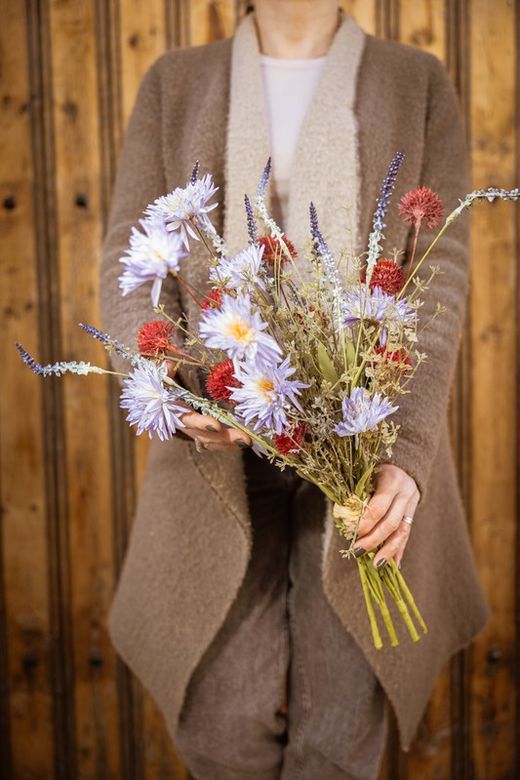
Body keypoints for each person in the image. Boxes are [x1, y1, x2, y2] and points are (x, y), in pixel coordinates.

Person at [99, 2, 491, 778]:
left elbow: (435, 275)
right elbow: (131, 259)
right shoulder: (175, 83)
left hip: (361, 451)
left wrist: (405, 452)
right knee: (220, 723)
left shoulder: (416, 81)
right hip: (219, 454)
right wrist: (176, 391)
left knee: (341, 736)